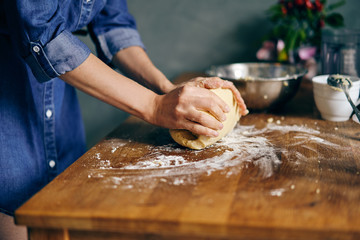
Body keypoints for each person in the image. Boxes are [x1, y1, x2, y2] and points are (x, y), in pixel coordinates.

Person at [0, 0, 247, 239]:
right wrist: (154, 106)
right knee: (14, 214)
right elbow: (43, 34)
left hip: (59, 98)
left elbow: (114, 24)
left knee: (61, 208)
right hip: (7, 100)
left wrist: (165, 88)